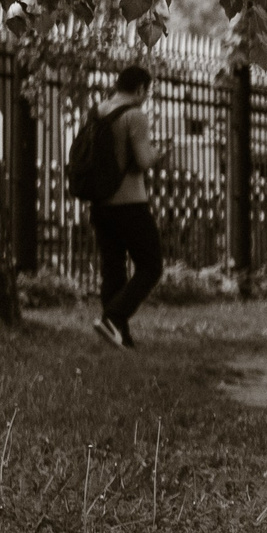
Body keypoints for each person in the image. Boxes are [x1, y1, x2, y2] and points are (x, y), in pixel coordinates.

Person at [86, 65, 170, 349]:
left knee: (113, 268)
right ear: (140, 89)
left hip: (100, 204)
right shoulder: (135, 115)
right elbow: (144, 160)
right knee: (151, 265)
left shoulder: (98, 111)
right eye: (147, 91)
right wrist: (161, 153)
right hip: (130, 203)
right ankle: (113, 316)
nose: (146, 96)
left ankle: (118, 335)